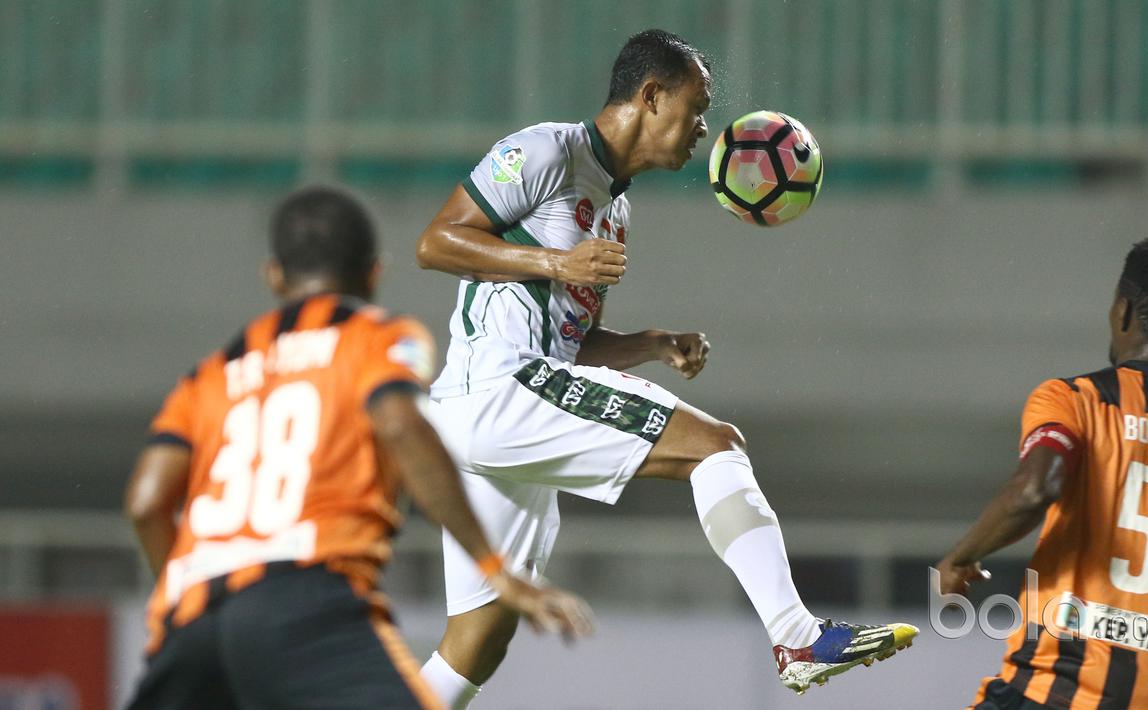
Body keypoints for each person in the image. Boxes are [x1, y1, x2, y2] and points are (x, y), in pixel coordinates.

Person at [413, 29, 916, 707]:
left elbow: (569, 346)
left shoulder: (614, 208)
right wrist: (556, 262)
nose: (704, 127)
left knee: (478, 639)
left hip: (502, 410)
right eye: (696, 107)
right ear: (651, 96)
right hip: (500, 390)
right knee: (714, 445)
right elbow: (435, 242)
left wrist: (652, 343)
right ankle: (797, 637)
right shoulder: (547, 152)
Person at [123, 186, 593, 710]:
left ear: (274, 275)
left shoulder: (211, 373)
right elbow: (399, 424)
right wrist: (493, 567)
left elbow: (146, 502)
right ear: (374, 272)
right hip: (305, 597)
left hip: (191, 617)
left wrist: (185, 593)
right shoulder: (376, 337)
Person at [937, 236, 1148, 708]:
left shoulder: (1072, 401)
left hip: (1055, 688)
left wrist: (961, 556)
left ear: (1122, 311)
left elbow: (1035, 490)